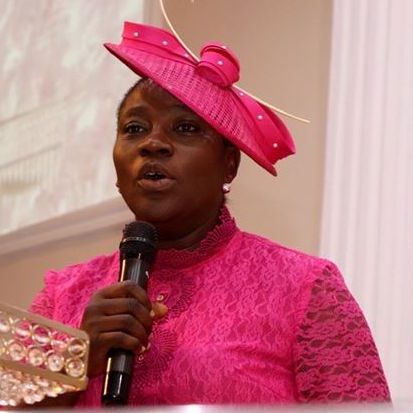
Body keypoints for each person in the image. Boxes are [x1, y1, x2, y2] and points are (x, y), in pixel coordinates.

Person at [30, 21, 391, 405]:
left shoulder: (304, 287)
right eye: (134, 128)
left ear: (229, 165)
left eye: (185, 128)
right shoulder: (61, 296)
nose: (152, 143)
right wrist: (72, 362)